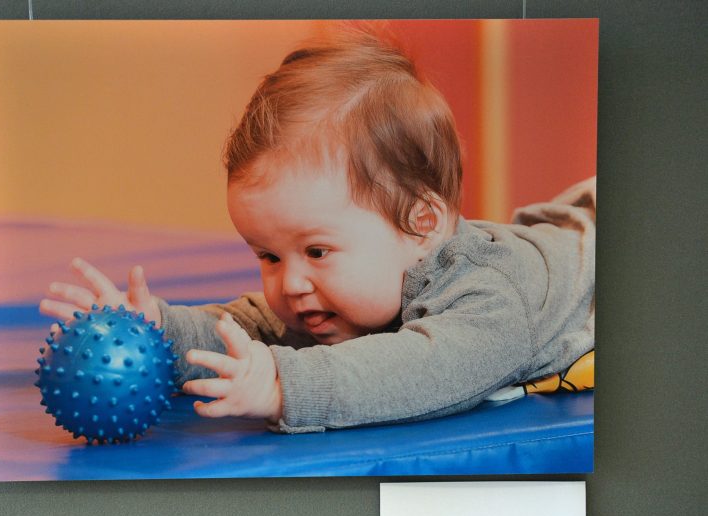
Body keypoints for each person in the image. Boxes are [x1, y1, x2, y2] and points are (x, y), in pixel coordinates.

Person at [40, 28, 595, 434]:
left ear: (421, 224)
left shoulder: (490, 300)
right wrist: (160, 336)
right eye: (269, 256)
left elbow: (427, 370)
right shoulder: (338, 293)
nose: (291, 284)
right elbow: (245, 329)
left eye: (316, 250)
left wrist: (284, 385)